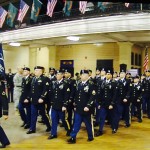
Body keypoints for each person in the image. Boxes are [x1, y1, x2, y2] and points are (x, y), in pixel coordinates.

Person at [67, 69, 96, 144]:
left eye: (85, 75)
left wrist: (88, 106)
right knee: (76, 123)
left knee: (88, 124)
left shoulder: (91, 84)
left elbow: (92, 96)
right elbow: (77, 96)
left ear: (88, 76)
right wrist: (75, 104)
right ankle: (73, 137)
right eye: (82, 75)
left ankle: (90, 136)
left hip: (86, 108)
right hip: (79, 108)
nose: (83, 76)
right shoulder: (79, 84)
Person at [26, 66, 51, 134]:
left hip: (41, 101)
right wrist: (29, 97)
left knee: (44, 115)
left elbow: (46, 89)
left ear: (41, 71)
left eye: (37, 70)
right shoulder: (33, 79)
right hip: (34, 100)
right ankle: (32, 128)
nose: (35, 71)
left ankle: (49, 126)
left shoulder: (45, 79)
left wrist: (42, 98)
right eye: (35, 70)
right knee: (33, 114)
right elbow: (31, 90)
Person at [48, 69, 70, 139]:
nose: (58, 76)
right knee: (53, 119)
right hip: (54, 105)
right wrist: (51, 102)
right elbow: (52, 94)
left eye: (59, 74)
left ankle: (69, 130)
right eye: (57, 74)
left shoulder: (66, 83)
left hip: (61, 105)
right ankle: (53, 134)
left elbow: (67, 95)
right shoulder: (54, 83)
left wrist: (65, 105)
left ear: (62, 75)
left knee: (64, 120)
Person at [95, 70, 116, 136]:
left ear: (111, 75)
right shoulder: (102, 82)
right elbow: (100, 93)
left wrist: (112, 104)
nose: (107, 75)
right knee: (102, 117)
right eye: (107, 74)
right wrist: (99, 103)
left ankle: (114, 128)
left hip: (110, 104)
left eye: (109, 74)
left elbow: (115, 95)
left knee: (112, 117)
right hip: (103, 103)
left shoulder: (114, 83)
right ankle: (100, 130)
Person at [0, 74, 10, 148]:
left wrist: (5, 113)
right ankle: (5, 141)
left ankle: (5, 141)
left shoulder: (1, 88)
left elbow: (4, 100)